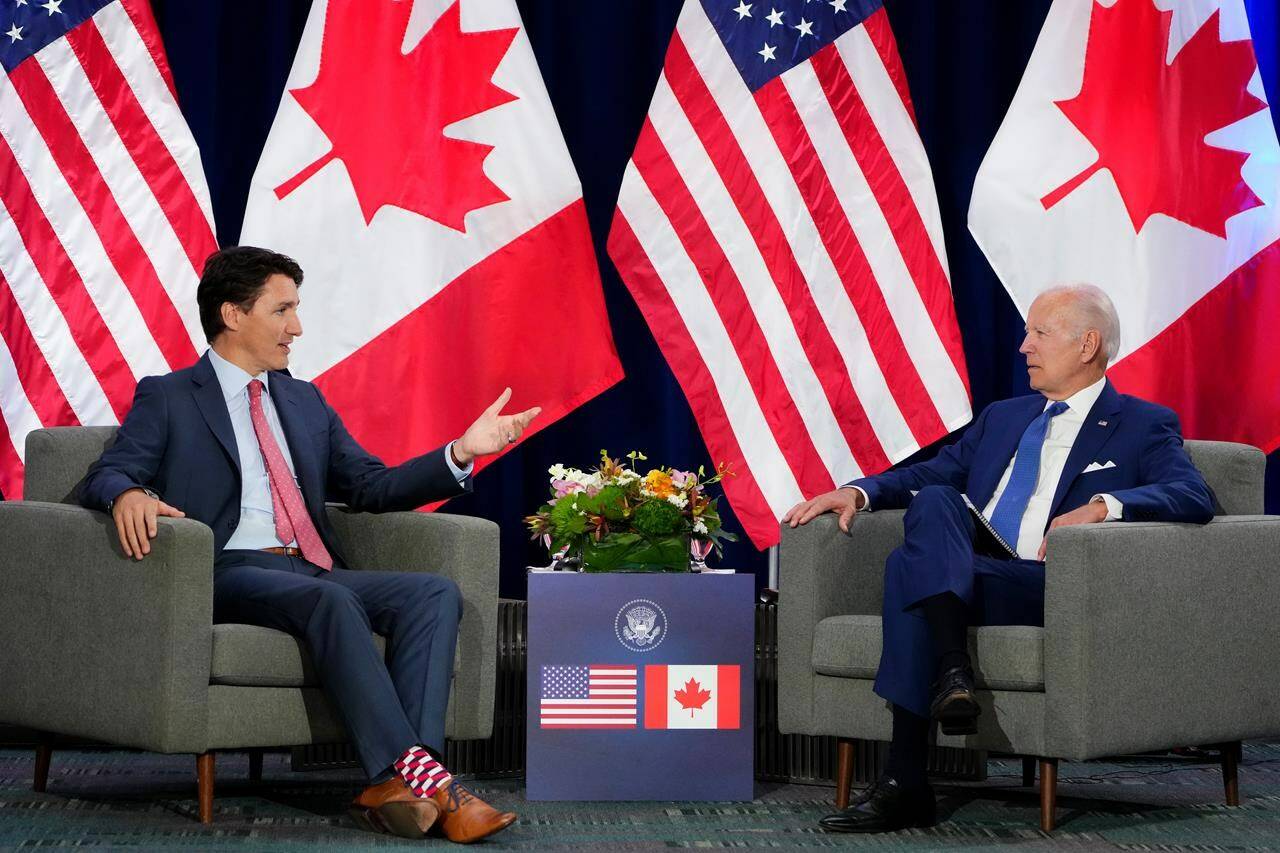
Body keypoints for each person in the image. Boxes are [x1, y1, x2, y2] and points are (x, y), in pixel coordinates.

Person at [80, 246, 535, 842]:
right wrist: (125, 494)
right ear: (233, 315)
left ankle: (403, 786)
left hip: (311, 568)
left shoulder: (304, 399)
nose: (297, 326)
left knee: (433, 594)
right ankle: (432, 783)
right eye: (283, 309)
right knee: (334, 603)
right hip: (227, 567)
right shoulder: (168, 396)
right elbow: (109, 471)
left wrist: (461, 453)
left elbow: (369, 486)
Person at [782, 284, 1215, 833]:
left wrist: (1106, 506)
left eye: (1039, 332)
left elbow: (1191, 495)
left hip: (1050, 582)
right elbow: (929, 475)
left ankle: (907, 777)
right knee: (936, 502)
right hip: (974, 569)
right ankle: (950, 673)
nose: (1023, 347)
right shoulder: (1003, 417)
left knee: (906, 570)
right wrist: (858, 493)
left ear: (1087, 345)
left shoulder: (1141, 423)